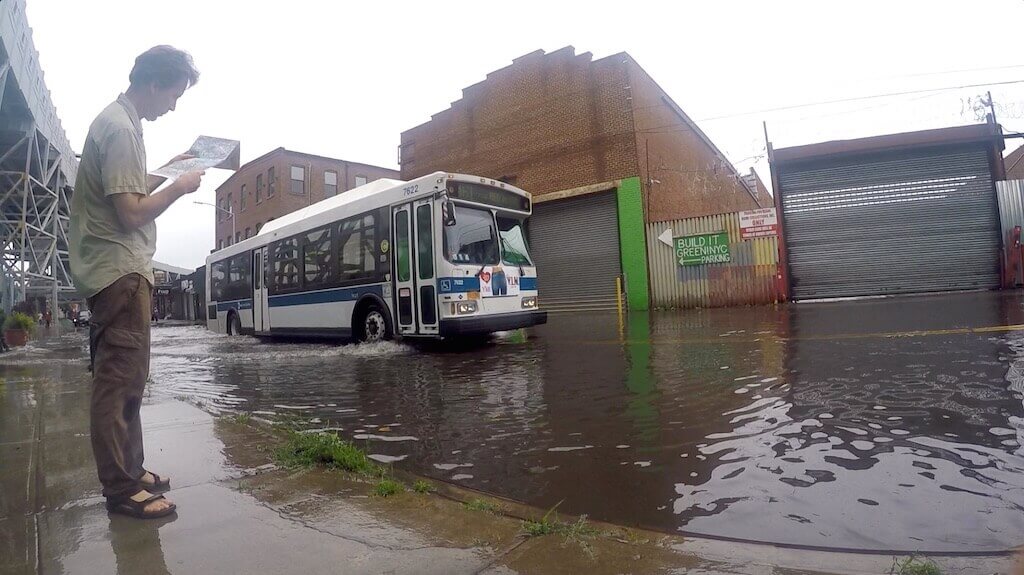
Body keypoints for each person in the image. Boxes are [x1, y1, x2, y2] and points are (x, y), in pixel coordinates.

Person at [69, 45, 204, 520]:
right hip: (120, 268)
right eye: (174, 94)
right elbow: (130, 213)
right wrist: (179, 187)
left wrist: (169, 168)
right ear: (153, 84)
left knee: (130, 380)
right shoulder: (122, 129)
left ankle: (131, 468)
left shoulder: (118, 123)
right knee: (119, 381)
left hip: (116, 269)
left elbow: (125, 184)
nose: (173, 105)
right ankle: (122, 488)